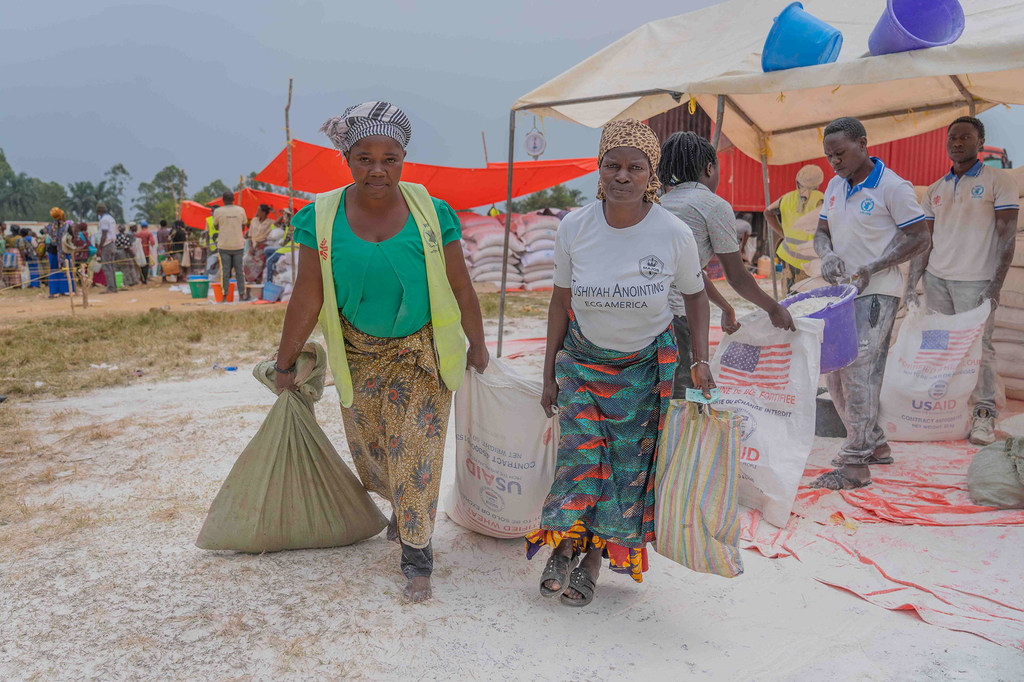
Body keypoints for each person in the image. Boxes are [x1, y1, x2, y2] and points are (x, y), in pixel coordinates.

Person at [273, 101, 487, 603]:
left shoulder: (432, 214)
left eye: (390, 158)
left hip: (421, 353)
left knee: (416, 447)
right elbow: (307, 294)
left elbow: (460, 283)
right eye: (364, 157)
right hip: (357, 354)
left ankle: (417, 555)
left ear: (404, 159)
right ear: (347, 158)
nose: (377, 169)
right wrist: (285, 362)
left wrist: (477, 344)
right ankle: (402, 504)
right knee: (375, 449)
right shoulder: (320, 218)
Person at [526, 119, 713, 607]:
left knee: (624, 475)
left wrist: (702, 360)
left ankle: (592, 562)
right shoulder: (575, 227)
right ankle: (565, 546)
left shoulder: (673, 232)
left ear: (651, 173)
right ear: (600, 169)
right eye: (613, 165)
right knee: (580, 461)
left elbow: (696, 297)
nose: (622, 175)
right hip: (583, 365)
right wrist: (548, 374)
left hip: (642, 372)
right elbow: (558, 302)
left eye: (635, 167)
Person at [811, 117, 930, 490]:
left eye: (841, 153)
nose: (835, 162)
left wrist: (873, 267)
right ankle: (875, 443)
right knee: (837, 372)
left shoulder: (893, 187)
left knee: (858, 373)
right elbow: (821, 232)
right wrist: (826, 253)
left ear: (863, 144)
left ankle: (856, 464)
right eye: (829, 156)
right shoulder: (834, 185)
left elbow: (919, 237)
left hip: (877, 292)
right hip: (843, 296)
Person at [905, 116, 1019, 445]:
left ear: (980, 143)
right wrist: (912, 283)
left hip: (976, 281)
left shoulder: (999, 181)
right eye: (952, 137)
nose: (957, 142)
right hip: (937, 280)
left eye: (965, 137)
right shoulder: (936, 190)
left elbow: (1007, 238)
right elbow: (924, 242)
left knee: (979, 347)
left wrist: (995, 285)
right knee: (939, 345)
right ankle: (946, 406)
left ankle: (983, 412)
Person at [658, 132, 795, 398]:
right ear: (710, 168)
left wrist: (725, 306)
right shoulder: (712, 205)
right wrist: (773, 308)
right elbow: (737, 276)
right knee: (684, 401)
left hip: (649, 316)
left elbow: (690, 271)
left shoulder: (661, 204)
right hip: (679, 319)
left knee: (657, 401)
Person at [765, 164, 825, 288]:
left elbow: (768, 212)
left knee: (789, 296)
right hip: (809, 260)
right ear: (818, 182)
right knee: (808, 300)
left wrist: (783, 234)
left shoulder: (786, 198)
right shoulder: (820, 199)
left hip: (788, 255)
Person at [212, 192, 248, 301]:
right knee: (239, 271)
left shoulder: (218, 211)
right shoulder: (240, 210)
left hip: (224, 245)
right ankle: (242, 295)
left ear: (222, 200)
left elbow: (216, 226)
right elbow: (243, 225)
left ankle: (225, 296)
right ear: (233, 199)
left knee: (225, 272)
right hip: (238, 245)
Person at [244, 203, 274, 286]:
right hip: (253, 245)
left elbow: (278, 222)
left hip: (262, 246)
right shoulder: (254, 220)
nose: (257, 212)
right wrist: (251, 247)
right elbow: (250, 235)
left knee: (260, 264)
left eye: (259, 210)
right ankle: (250, 279)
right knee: (245, 260)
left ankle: (257, 282)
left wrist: (274, 212)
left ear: (264, 212)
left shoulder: (270, 222)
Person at [96, 202, 118, 293]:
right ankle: (114, 286)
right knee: (112, 266)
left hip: (106, 245)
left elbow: (104, 235)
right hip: (113, 244)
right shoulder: (111, 218)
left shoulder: (104, 220)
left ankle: (110, 287)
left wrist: (99, 248)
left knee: (107, 267)